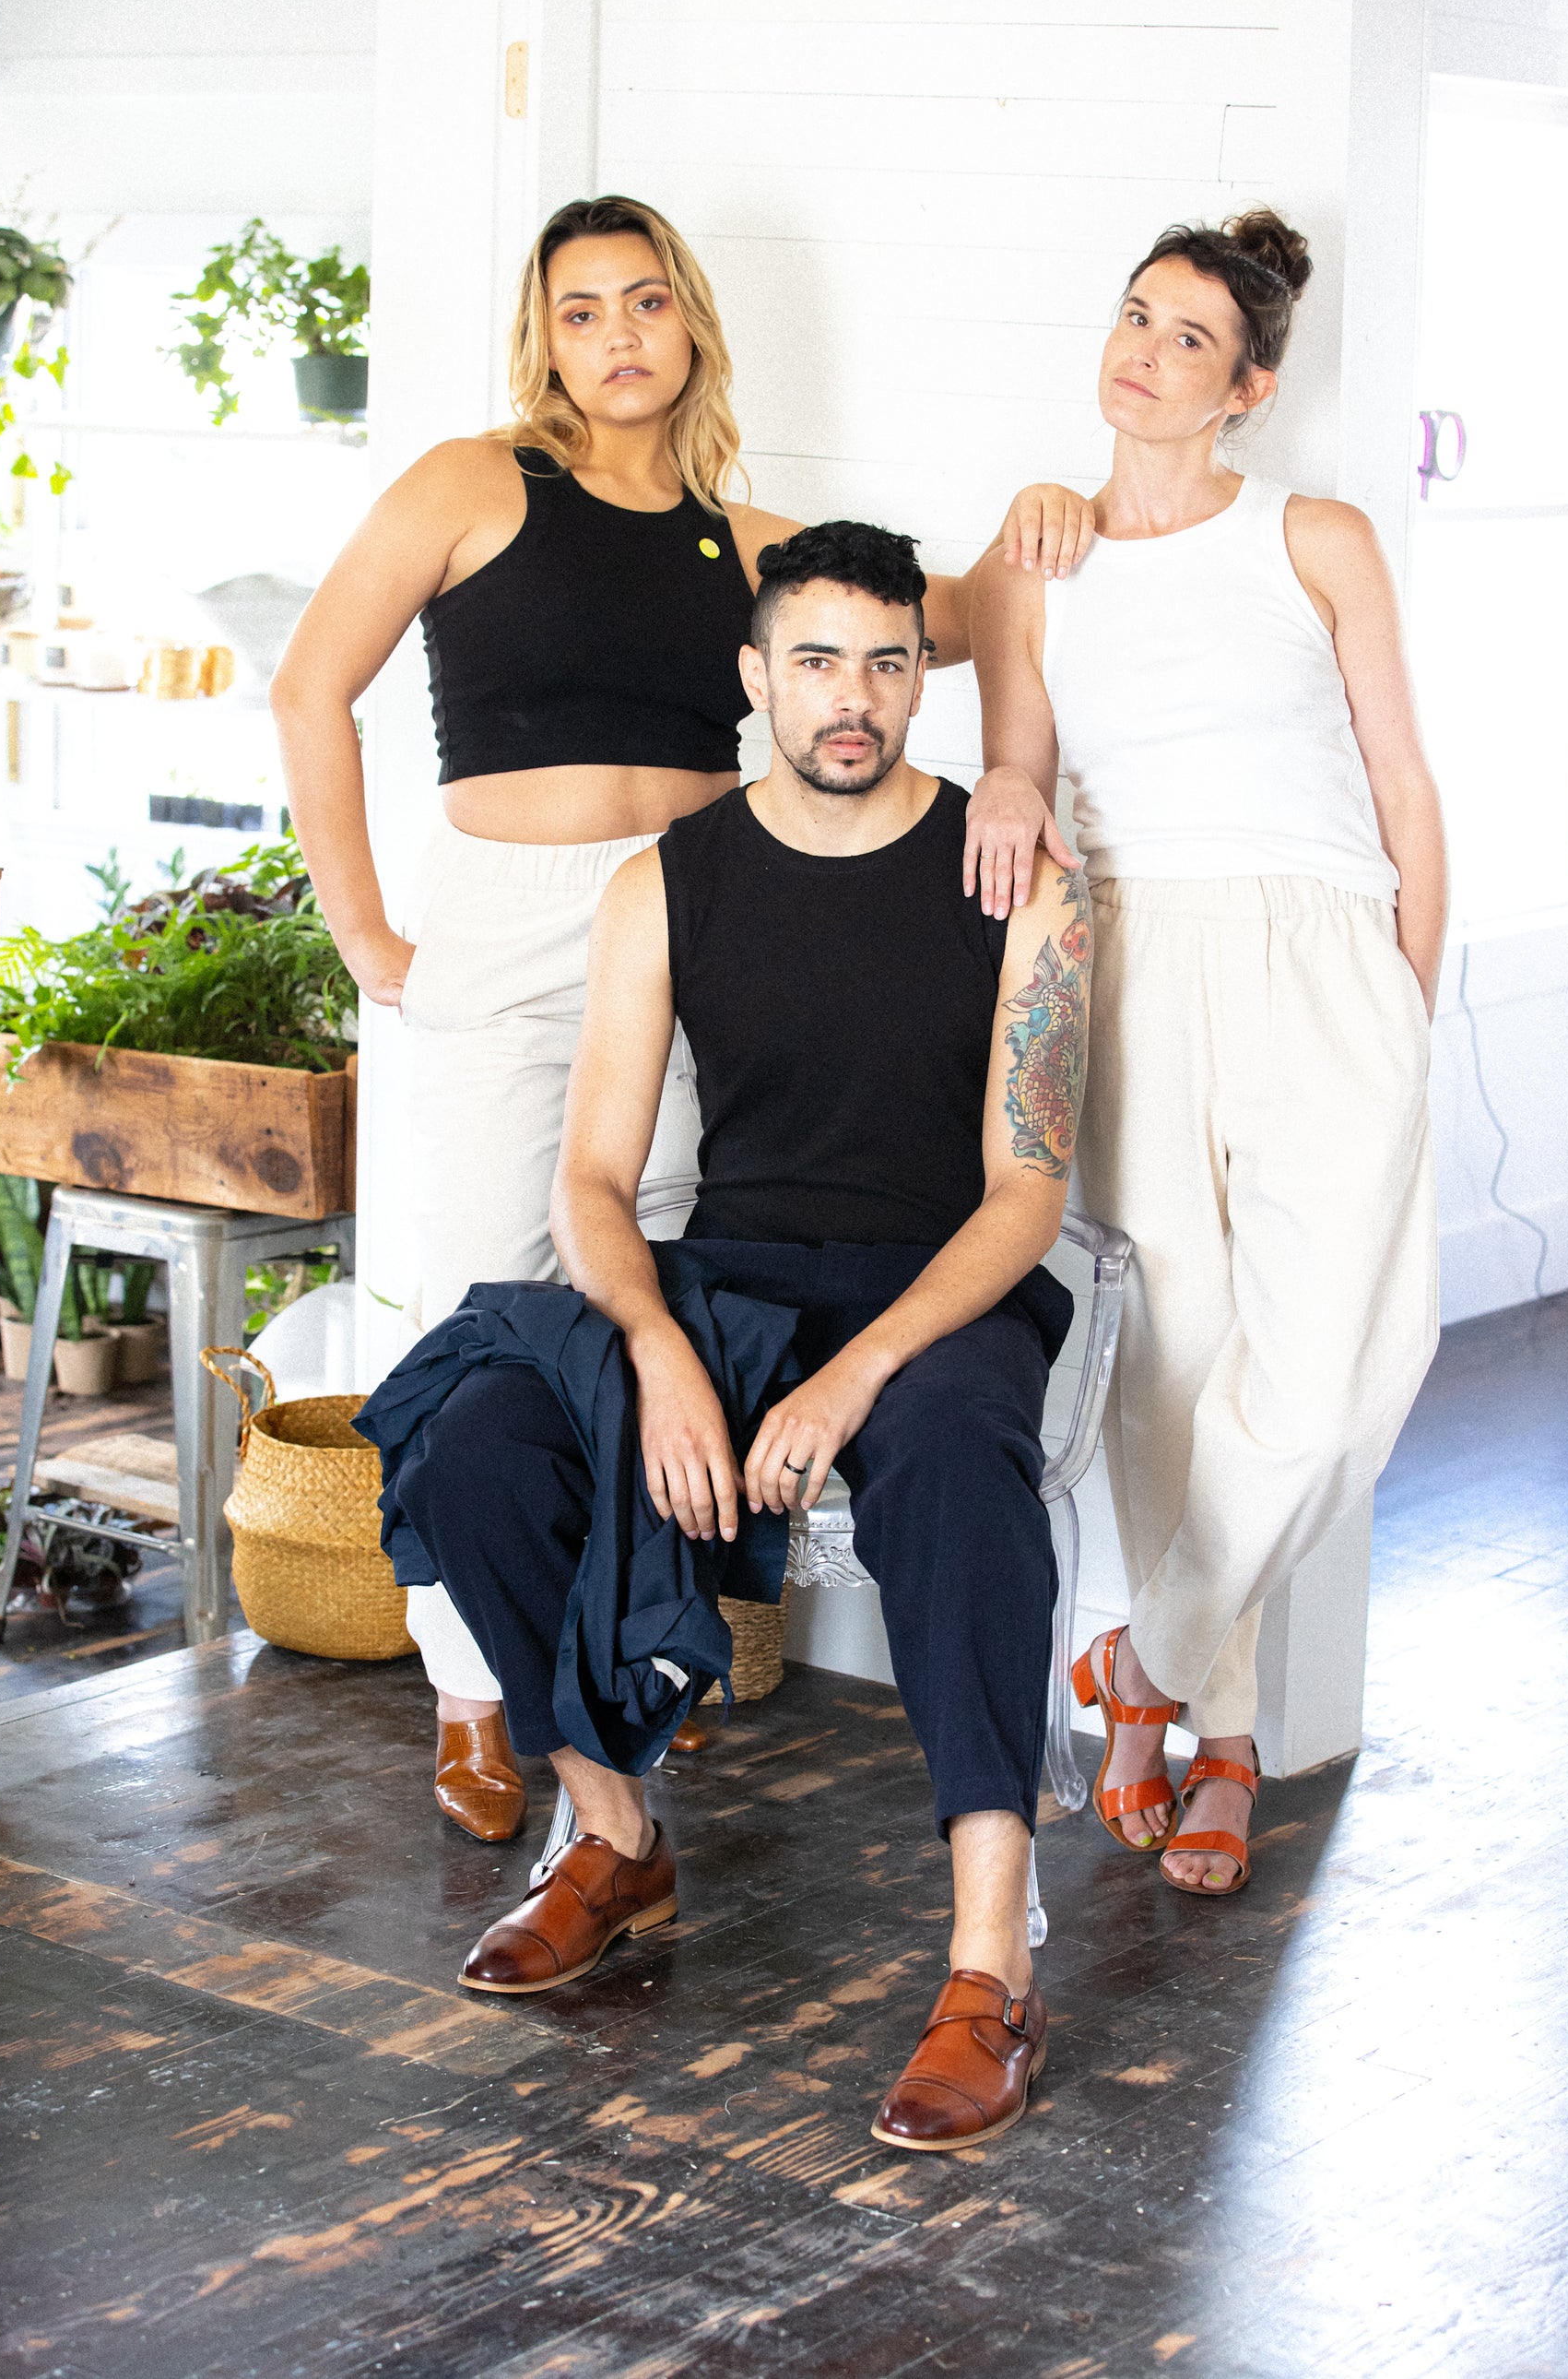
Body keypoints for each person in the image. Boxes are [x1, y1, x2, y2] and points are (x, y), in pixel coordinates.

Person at [271, 195, 1092, 1841]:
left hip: (704, 910)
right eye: (581, 312)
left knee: (643, 1311)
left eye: (646, 303)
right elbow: (309, 687)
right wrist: (365, 927)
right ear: (544, 336)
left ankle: (631, 1647)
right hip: (507, 928)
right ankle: (474, 1696)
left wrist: (1014, 747)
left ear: (693, 324)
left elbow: (988, 607)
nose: (618, 337)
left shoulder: (749, 537)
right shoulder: (470, 482)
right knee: (466, 1308)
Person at [375, 521, 1092, 2152]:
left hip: (940, 1286)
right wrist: (658, 1347)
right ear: (758, 678)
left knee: (959, 1462)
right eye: (821, 662)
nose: (857, 700)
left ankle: (989, 1968)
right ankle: (616, 1834)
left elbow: (1025, 1192)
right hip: (734, 1280)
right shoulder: (666, 882)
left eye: (893, 662)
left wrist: (857, 1370)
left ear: (927, 677)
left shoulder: (1018, 879)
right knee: (480, 1433)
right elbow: (595, 1179)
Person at [968, 209, 1444, 1896]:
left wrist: (1409, 1004)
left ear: (1243, 390)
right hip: (1134, 950)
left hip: (1326, 950)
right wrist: (1009, 785)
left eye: (1188, 340)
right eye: (1134, 316)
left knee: (1327, 1379)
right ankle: (1210, 1737)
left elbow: (1403, 786)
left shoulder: (1315, 537)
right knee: (1175, 1366)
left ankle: (1145, 1662)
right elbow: (1010, 750)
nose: (1145, 352)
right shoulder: (1037, 554)